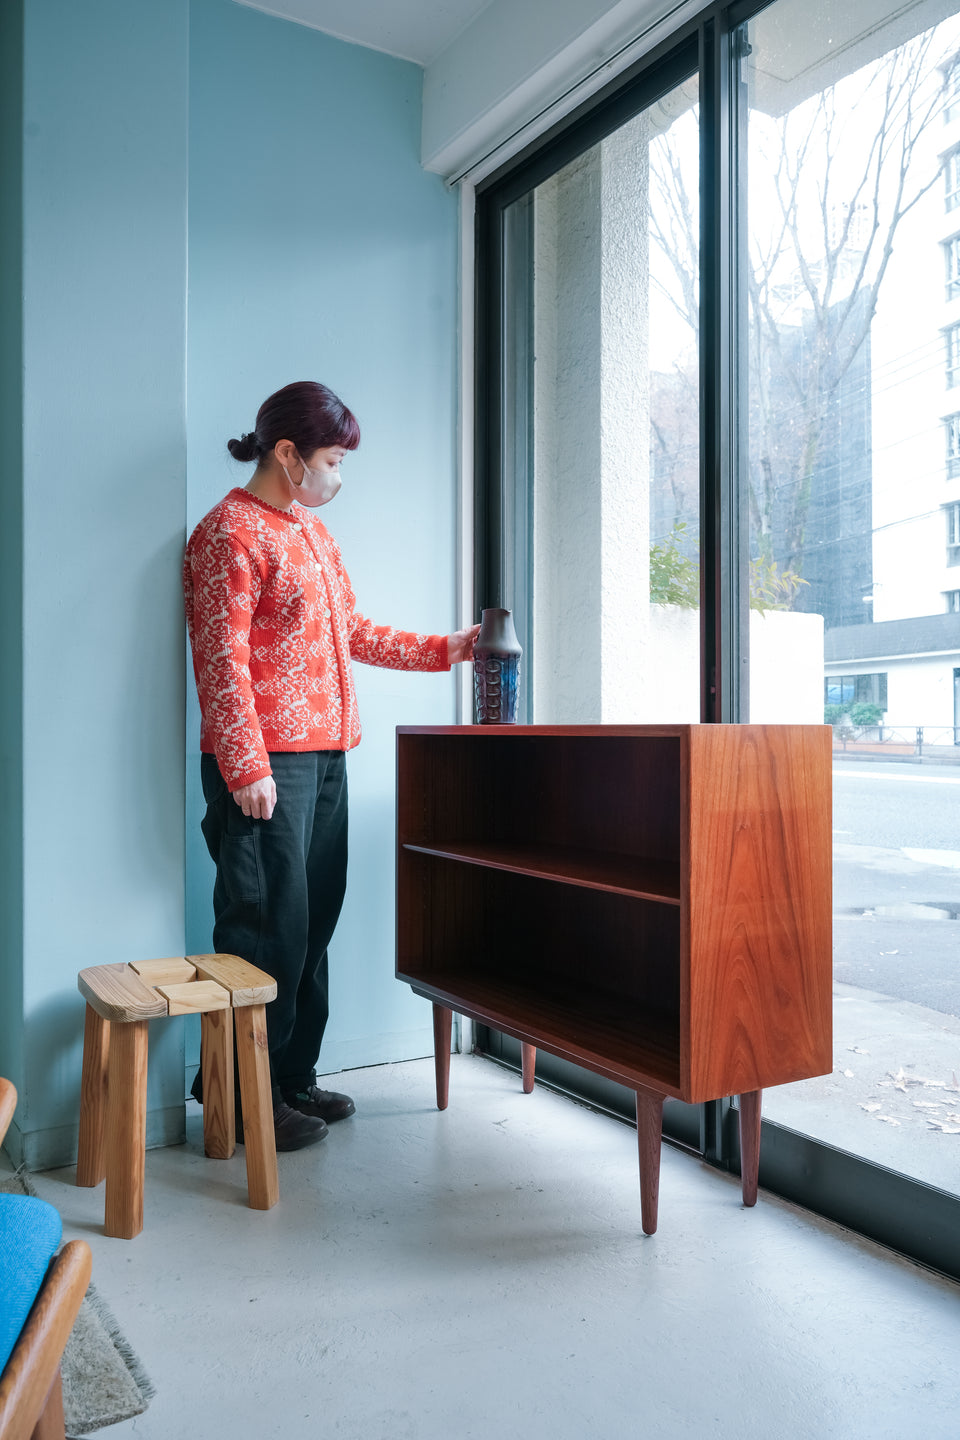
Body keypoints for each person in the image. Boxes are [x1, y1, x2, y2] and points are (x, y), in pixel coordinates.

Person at [183, 380, 479, 1150]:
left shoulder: (310, 534)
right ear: (288, 454)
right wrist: (246, 766)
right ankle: (238, 1095)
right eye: (333, 458)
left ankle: (289, 1077)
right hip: (264, 768)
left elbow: (354, 632)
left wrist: (446, 650)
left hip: (325, 758)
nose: (337, 474)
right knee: (262, 930)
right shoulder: (228, 534)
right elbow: (222, 660)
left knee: (312, 923)